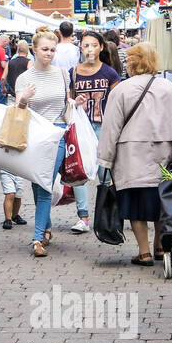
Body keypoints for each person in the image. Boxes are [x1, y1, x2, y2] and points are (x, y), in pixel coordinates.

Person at [95, 43, 172, 266]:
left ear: (131, 63)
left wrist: (105, 159)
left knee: (135, 204)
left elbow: (111, 127)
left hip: (131, 156)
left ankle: (144, 252)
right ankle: (160, 247)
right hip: (163, 154)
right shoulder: (167, 87)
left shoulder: (121, 90)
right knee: (162, 201)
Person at [14, 30, 71, 257]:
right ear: (34, 50)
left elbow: (65, 105)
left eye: (52, 50)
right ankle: (46, 226)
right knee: (36, 185)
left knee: (45, 184)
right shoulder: (24, 78)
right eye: (45, 49)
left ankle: (37, 239)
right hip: (32, 135)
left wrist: (74, 105)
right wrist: (24, 98)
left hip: (56, 134)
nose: (49, 53)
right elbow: (18, 109)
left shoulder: (63, 74)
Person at [66, 30, 122, 234]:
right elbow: (68, 101)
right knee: (79, 171)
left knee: (104, 173)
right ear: (80, 48)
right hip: (81, 127)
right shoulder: (73, 72)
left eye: (93, 45)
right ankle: (83, 217)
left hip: (103, 128)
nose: (89, 49)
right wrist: (73, 104)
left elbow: (117, 104)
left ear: (100, 48)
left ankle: (106, 215)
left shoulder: (109, 73)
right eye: (85, 45)